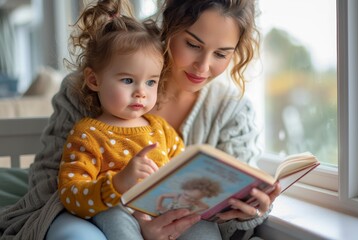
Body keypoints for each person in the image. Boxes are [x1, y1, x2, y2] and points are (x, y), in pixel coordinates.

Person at [0, 0, 281, 240]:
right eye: (193, 44)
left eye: (221, 54)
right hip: (94, 212)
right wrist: (130, 215)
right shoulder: (88, 92)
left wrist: (246, 209)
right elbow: (51, 184)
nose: (204, 66)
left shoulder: (231, 112)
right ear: (169, 28)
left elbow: (208, 197)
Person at [57, 1, 185, 236]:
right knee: (114, 215)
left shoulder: (162, 130)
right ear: (94, 80)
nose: (141, 92)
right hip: (118, 210)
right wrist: (117, 184)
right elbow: (71, 194)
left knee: (204, 226)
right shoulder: (88, 134)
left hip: (163, 212)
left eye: (151, 82)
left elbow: (184, 171)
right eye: (128, 80)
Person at [156, 177, 222, 214]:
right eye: (186, 195)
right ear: (185, 189)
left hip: (179, 217)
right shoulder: (177, 196)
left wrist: (191, 212)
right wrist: (159, 206)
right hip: (167, 212)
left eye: (193, 198)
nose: (188, 198)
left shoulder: (196, 202)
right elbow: (162, 196)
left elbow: (206, 207)